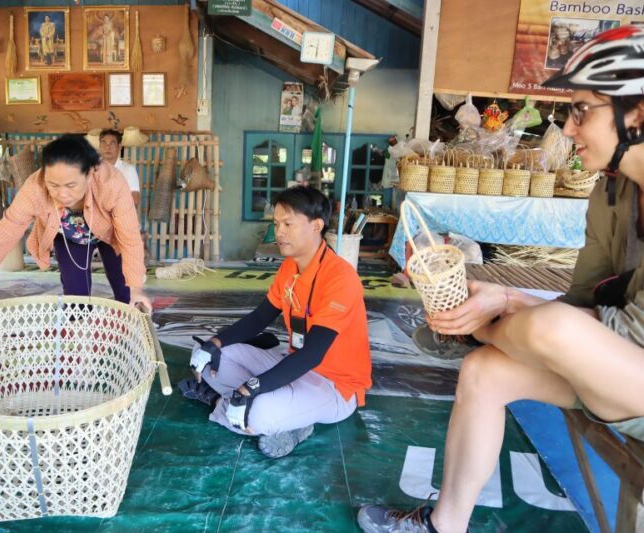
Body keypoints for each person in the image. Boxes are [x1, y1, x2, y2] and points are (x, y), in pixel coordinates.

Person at [359, 25, 644, 532]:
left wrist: (501, 312)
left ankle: (468, 329)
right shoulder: (611, 193)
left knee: (548, 328)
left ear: (637, 113)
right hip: (619, 369)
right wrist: (509, 302)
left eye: (582, 111)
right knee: (485, 372)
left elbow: (601, 334)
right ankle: (444, 525)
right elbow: (586, 298)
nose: (569, 130)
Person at [179, 186, 372, 458]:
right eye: (276, 223)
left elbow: (313, 354)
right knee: (208, 356)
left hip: (334, 385)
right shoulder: (290, 267)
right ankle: (248, 407)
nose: (279, 232)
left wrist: (252, 387)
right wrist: (215, 342)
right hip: (291, 362)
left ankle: (226, 403)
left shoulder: (341, 278)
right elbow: (259, 318)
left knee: (259, 413)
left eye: (288, 224)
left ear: (316, 225)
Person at [0, 135, 150, 322]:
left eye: (70, 185)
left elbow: (130, 238)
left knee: (127, 292)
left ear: (89, 175)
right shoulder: (34, 187)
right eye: (54, 185)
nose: (62, 194)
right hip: (69, 238)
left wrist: (137, 288)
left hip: (110, 234)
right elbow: (2, 236)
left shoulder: (112, 183)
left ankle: (128, 335)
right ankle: (78, 344)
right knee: (76, 299)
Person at [99, 129, 141, 207]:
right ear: (99, 146)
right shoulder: (92, 169)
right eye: (104, 142)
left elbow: (135, 200)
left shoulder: (129, 170)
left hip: (120, 217)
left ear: (119, 146)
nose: (108, 147)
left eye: (112, 143)